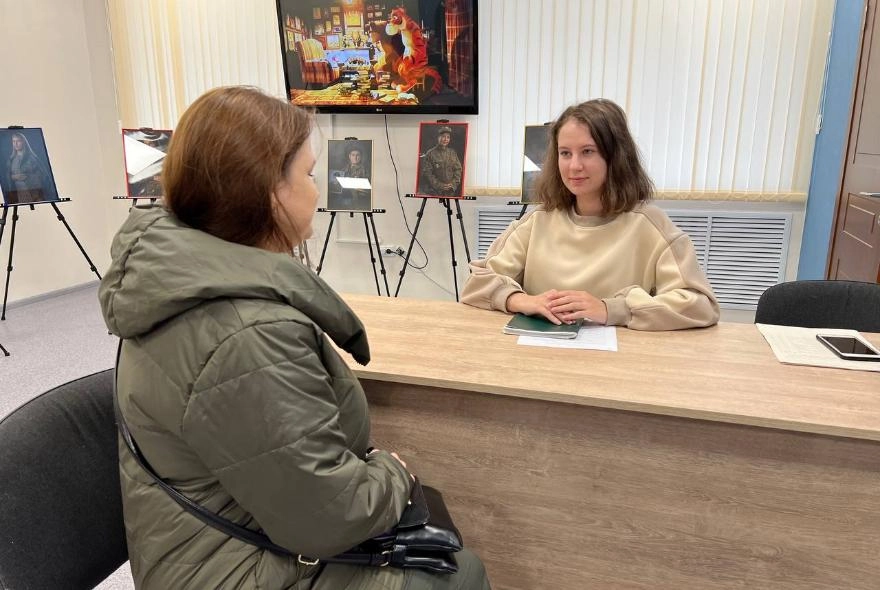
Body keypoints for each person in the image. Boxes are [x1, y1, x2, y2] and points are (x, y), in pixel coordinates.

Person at [98, 86, 490, 589]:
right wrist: (393, 473)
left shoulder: (176, 278)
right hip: (226, 568)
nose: (317, 190)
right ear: (268, 191)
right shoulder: (249, 336)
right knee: (460, 573)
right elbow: (331, 516)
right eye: (308, 174)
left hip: (207, 539)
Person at [460, 99, 719, 331]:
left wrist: (611, 309)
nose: (574, 166)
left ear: (616, 157)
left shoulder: (652, 226)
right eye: (565, 153)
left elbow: (700, 305)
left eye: (588, 151)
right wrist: (522, 301)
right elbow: (477, 284)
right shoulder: (537, 221)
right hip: (539, 356)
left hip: (617, 361)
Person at [417, 126, 463, 197]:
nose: (445, 139)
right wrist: (439, 185)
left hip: (451, 190)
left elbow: (458, 169)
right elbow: (427, 173)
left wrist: (453, 183)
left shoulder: (452, 153)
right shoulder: (430, 154)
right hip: (435, 191)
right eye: (443, 136)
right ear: (438, 137)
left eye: (448, 137)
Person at [5, 132, 47, 204]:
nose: (15, 144)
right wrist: (13, 177)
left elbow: (43, 175)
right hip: (18, 193)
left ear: (23, 142)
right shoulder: (11, 160)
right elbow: (7, 177)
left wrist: (26, 176)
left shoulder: (32, 158)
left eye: (18, 141)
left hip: (33, 193)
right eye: (13, 141)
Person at [331, 145, 372, 211]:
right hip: (343, 196)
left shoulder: (365, 170)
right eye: (353, 155)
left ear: (361, 157)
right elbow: (339, 186)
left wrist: (356, 183)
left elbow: (367, 189)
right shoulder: (344, 169)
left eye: (358, 155)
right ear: (349, 156)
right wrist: (336, 183)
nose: (355, 158)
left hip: (357, 198)